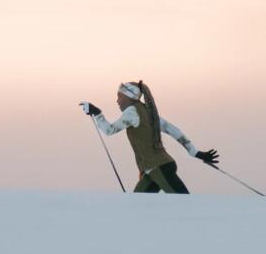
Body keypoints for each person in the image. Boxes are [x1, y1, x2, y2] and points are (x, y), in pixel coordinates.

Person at [80, 80, 219, 193]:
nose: (117, 101)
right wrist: (196, 153)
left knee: (184, 203)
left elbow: (109, 130)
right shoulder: (149, 112)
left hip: (159, 168)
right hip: (153, 170)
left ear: (129, 97)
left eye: (119, 97)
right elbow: (175, 131)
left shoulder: (132, 112)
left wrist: (97, 113)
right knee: (137, 206)